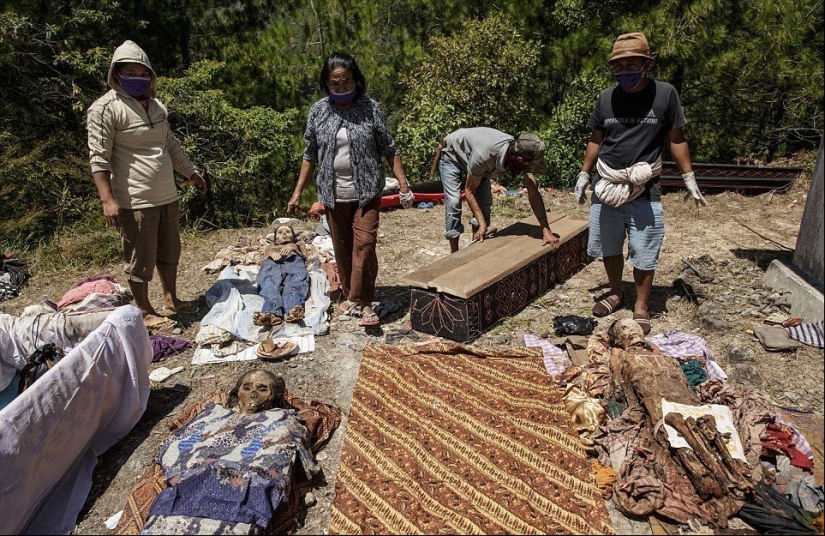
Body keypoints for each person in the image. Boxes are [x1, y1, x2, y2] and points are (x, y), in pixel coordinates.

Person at [573, 32, 707, 334]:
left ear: (646, 64)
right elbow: (596, 140)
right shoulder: (606, 98)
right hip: (607, 185)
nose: (625, 71)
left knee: (644, 249)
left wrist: (689, 177)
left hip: (644, 188)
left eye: (631, 64)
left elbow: (676, 138)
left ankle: (642, 305)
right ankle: (616, 293)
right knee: (609, 245)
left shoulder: (664, 95)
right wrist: (584, 173)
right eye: (619, 66)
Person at [87, 40, 208, 328]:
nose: (137, 79)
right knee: (140, 256)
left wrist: (191, 173)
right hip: (135, 197)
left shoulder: (156, 107)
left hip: (167, 193)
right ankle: (143, 309)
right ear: (116, 74)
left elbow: (171, 146)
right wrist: (108, 200)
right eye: (130, 73)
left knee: (170, 251)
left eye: (143, 74)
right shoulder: (104, 109)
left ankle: (172, 299)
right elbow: (99, 158)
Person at [287, 52, 413, 327]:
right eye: (335, 84)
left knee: (365, 244)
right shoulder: (319, 111)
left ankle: (364, 302)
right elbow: (310, 154)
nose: (341, 89)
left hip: (366, 191)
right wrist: (298, 192)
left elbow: (388, 149)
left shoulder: (370, 108)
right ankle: (350, 294)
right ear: (327, 84)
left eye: (346, 82)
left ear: (356, 80)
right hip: (333, 193)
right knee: (342, 248)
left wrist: (403, 184)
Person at [437, 128, 560, 253]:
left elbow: (533, 194)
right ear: (521, 160)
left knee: (484, 204)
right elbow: (469, 191)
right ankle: (454, 254)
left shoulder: (519, 151)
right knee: (453, 202)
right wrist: (482, 223)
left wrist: (546, 230)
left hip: (475, 157)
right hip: (452, 154)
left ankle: (475, 247)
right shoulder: (485, 155)